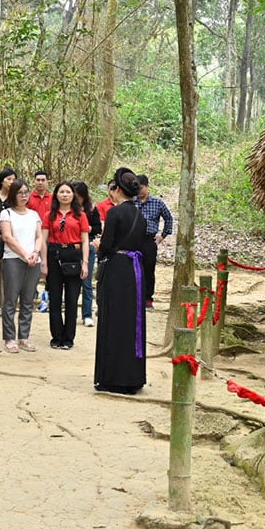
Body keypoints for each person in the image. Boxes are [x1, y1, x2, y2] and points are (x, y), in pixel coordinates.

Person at [94, 168, 148, 394]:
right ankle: (133, 377)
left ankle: (113, 377)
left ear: (117, 190)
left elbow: (106, 246)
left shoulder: (115, 214)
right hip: (135, 270)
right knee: (132, 320)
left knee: (113, 319)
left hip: (116, 269)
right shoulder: (140, 214)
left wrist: (99, 248)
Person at [42, 181, 90, 350]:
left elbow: (85, 241)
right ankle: (56, 336)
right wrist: (44, 263)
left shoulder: (80, 215)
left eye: (68, 192)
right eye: (61, 191)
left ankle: (68, 338)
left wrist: (85, 263)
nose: (64, 194)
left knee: (71, 298)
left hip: (74, 255)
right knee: (54, 298)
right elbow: (43, 240)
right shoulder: (49, 215)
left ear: (73, 195)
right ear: (56, 194)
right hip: (54, 254)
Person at [0, 179, 43, 352]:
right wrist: (25, 254)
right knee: (10, 299)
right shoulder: (7, 214)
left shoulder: (34, 215)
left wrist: (35, 253)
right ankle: (9, 337)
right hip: (13, 260)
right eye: (20, 193)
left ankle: (24, 336)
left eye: (26, 192)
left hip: (34, 260)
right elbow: (7, 237)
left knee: (28, 299)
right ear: (13, 195)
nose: (24, 196)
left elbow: (39, 237)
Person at [134, 174, 173, 309]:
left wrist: (163, 235)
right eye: (137, 187)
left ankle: (148, 299)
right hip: (133, 240)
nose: (139, 190)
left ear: (147, 187)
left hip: (149, 240)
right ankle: (134, 297)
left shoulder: (157, 203)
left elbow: (168, 218)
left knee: (149, 270)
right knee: (133, 269)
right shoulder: (132, 202)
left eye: (142, 187)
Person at [0, 167, 18, 318]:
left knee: (7, 273)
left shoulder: (16, 199)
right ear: (1, 180)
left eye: (14, 179)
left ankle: (4, 304)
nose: (11, 182)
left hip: (11, 240)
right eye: (8, 179)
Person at [73, 181, 102, 328]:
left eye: (79, 196)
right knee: (72, 282)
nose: (76, 198)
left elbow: (98, 228)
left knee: (87, 282)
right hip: (72, 246)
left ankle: (87, 314)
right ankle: (71, 314)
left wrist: (87, 228)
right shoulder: (68, 209)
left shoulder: (91, 209)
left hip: (88, 245)